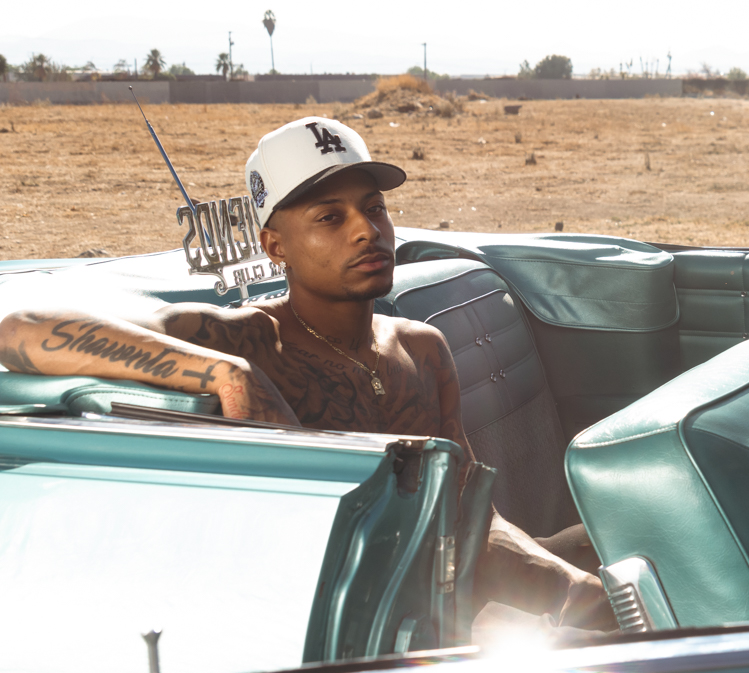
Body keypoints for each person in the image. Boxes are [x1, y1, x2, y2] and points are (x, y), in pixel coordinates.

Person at [0, 116, 612, 630]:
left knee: (614, 548)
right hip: (323, 628)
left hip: (438, 601)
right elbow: (19, 329)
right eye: (329, 218)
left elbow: (467, 516)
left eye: (374, 209)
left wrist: (564, 588)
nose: (367, 231)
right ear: (275, 246)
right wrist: (227, 373)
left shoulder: (422, 348)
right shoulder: (249, 340)